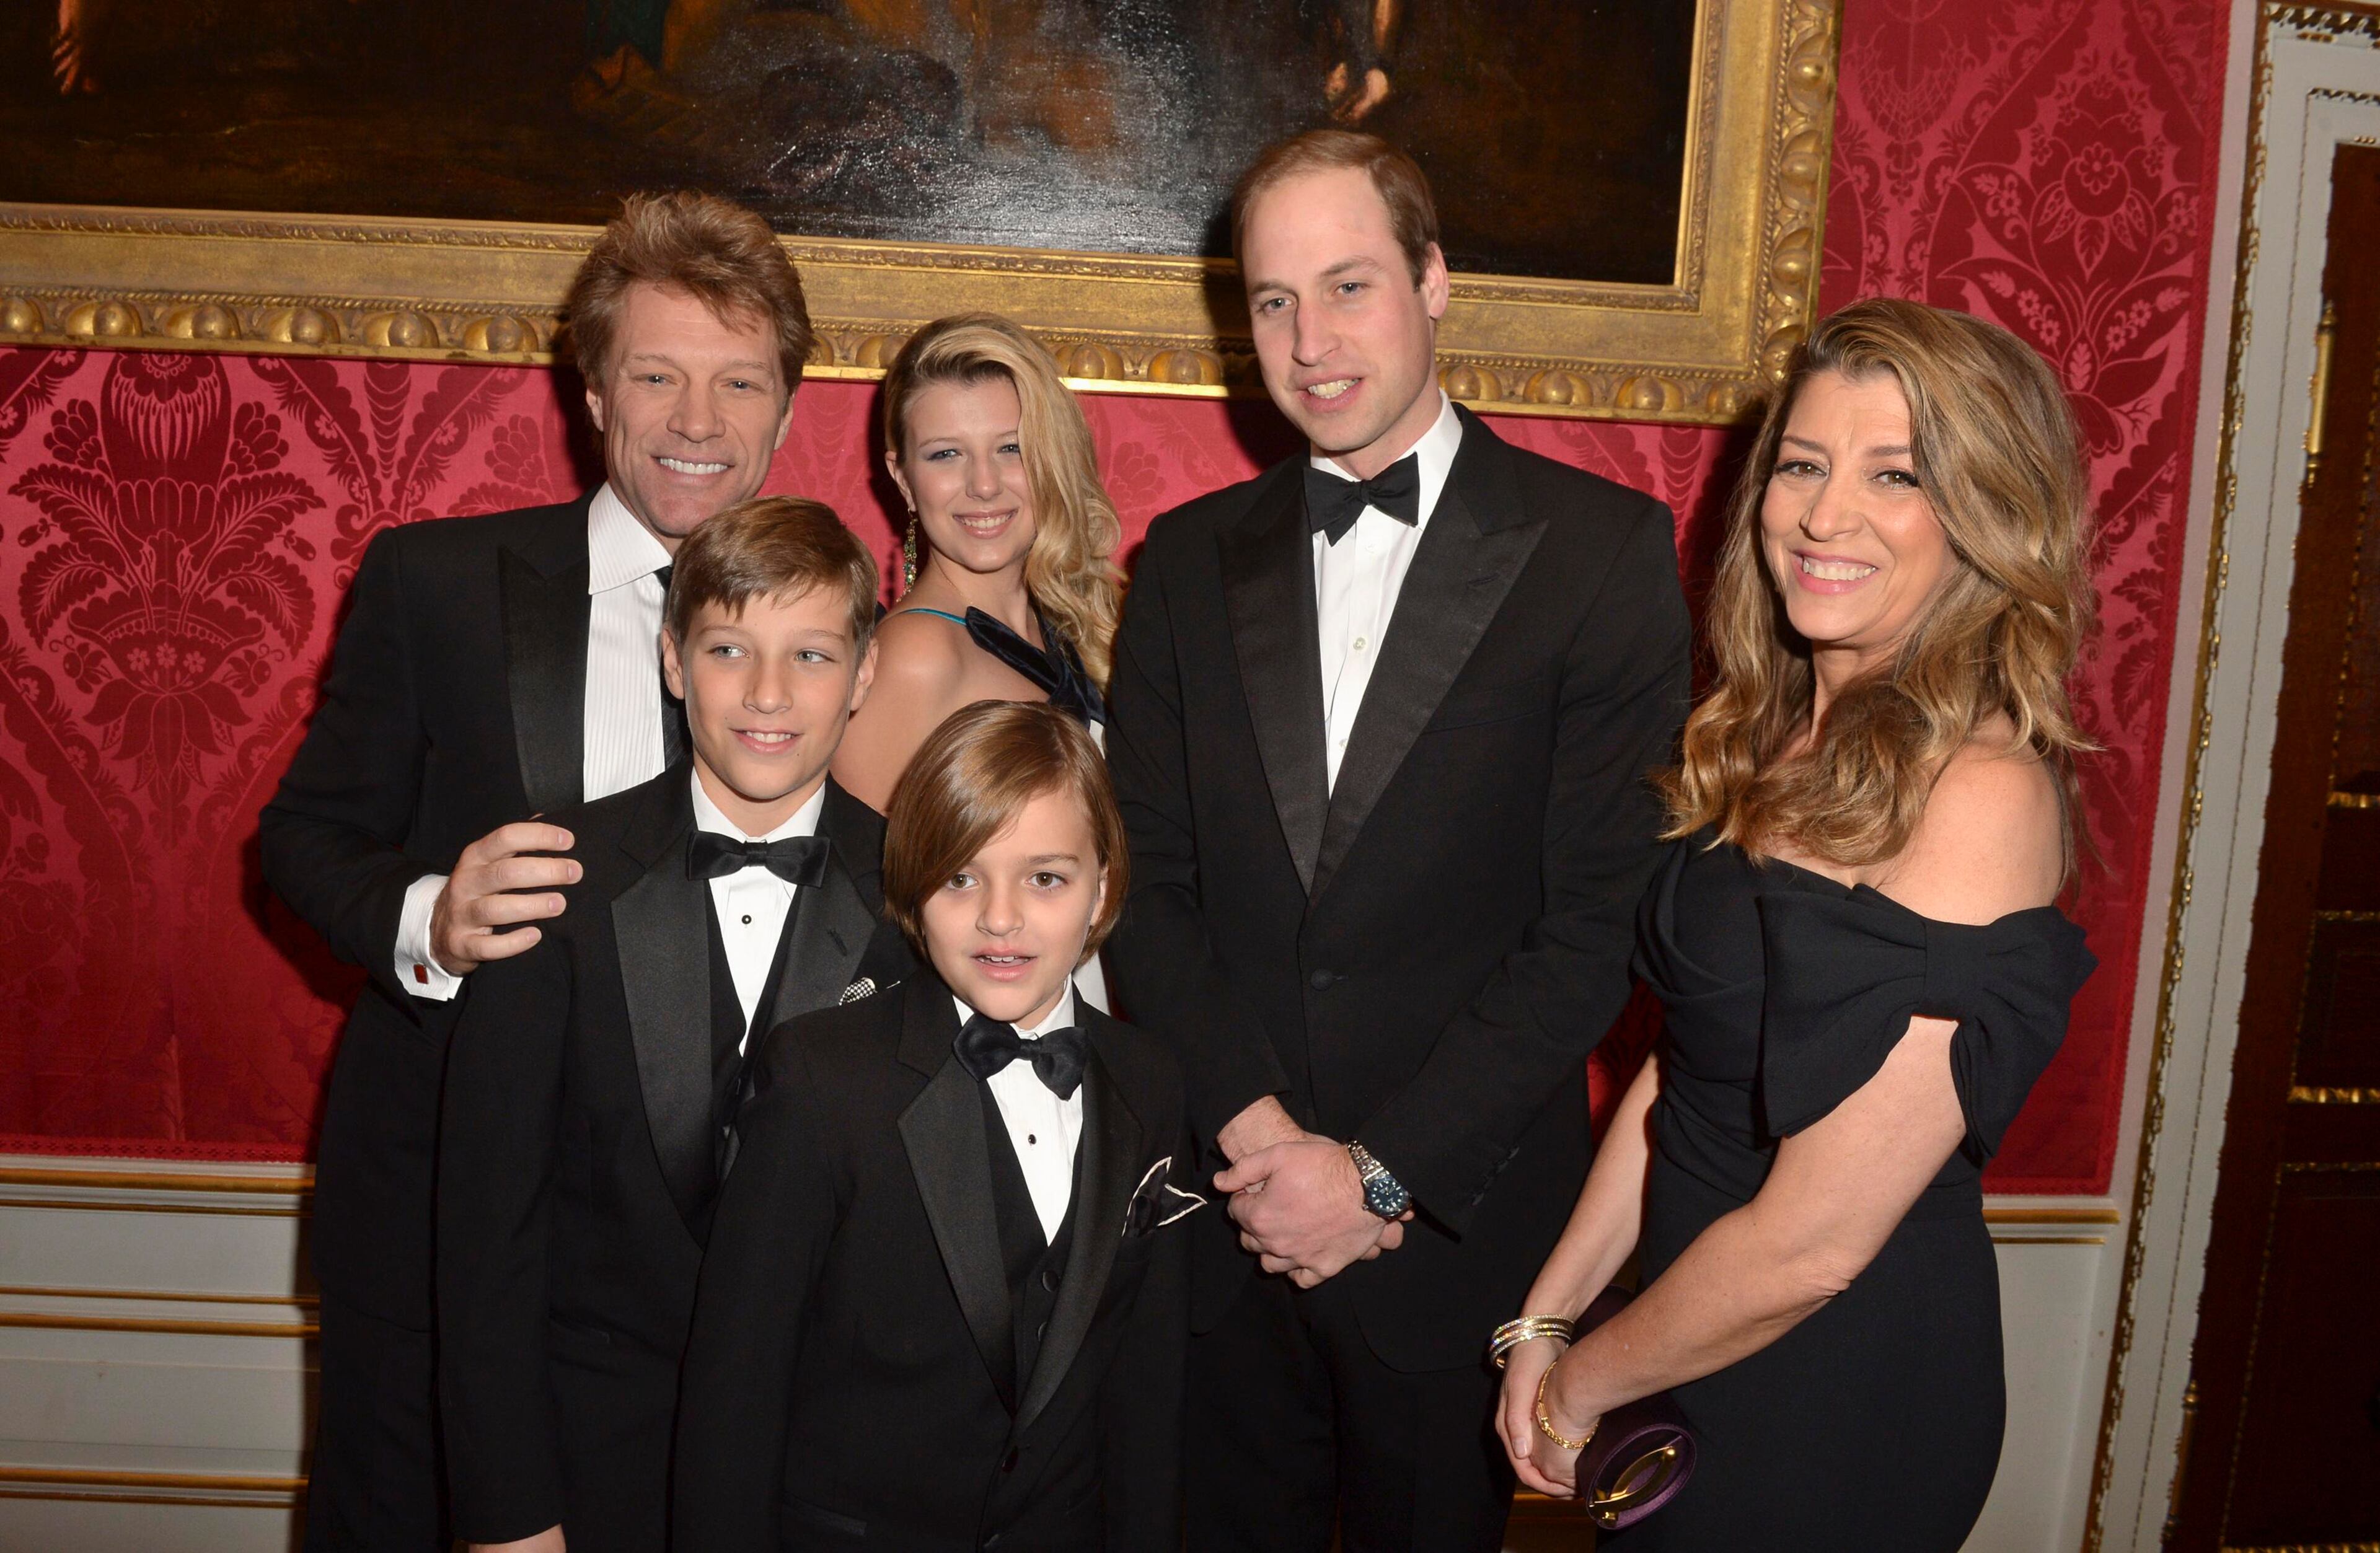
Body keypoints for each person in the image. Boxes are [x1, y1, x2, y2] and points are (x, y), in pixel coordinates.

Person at [1100, 128, 1691, 1552]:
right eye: (1273, 300)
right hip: (1223, 1235)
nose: (1309, 343)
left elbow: (1594, 926)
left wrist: (1375, 1176)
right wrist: (1263, 1147)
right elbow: (1143, 888)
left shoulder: (1600, 553)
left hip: (1453, 1251)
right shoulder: (1183, 559)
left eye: (1348, 286)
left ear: (1433, 283)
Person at [1497, 297, 2100, 1549]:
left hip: (1836, 1382)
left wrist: (1583, 1381)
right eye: (1804, 465)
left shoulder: (1980, 794)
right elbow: (1695, 1063)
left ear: (1989, 514)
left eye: (1896, 476)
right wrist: (1550, 1315)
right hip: (1681, 1332)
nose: (1825, 516)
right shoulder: (1768, 735)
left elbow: (1816, 1245)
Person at [258, 190, 810, 1552]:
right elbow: (303, 837)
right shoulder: (440, 584)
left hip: (714, 1258)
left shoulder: (836, 628)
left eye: (739, 382)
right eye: (658, 376)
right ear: (594, 392)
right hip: (444, 1215)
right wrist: (431, 920)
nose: (697, 419)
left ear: (788, 410)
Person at [435, 497, 909, 1553]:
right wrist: (511, 1515)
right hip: (598, 1471)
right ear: (671, 659)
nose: (769, 693)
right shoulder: (552, 882)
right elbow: (487, 1243)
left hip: (836, 1486)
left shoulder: (925, 899)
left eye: (813, 654)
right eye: (729, 648)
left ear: (865, 673)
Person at [673, 700, 1196, 1552]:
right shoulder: (823, 1078)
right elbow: (735, 1393)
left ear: (1102, 886)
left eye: (1046, 878)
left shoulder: (1151, 1081)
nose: (1000, 917)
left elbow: (1149, 1388)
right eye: (961, 877)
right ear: (915, 887)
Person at [830, 312, 1121, 812]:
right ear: (904, 480)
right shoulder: (914, 659)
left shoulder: (1067, 627)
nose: (984, 485)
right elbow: (862, 860)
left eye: (1012, 448)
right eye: (946, 455)